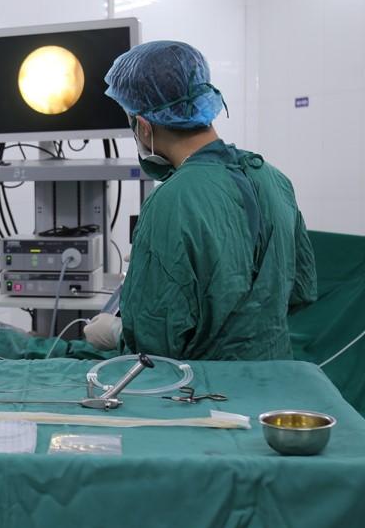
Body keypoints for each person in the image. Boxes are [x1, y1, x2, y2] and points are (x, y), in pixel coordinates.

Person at [82, 40, 317, 360]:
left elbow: (154, 342)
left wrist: (115, 331)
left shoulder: (170, 200)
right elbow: (301, 290)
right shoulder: (274, 178)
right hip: (273, 375)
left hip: (204, 384)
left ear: (145, 126)